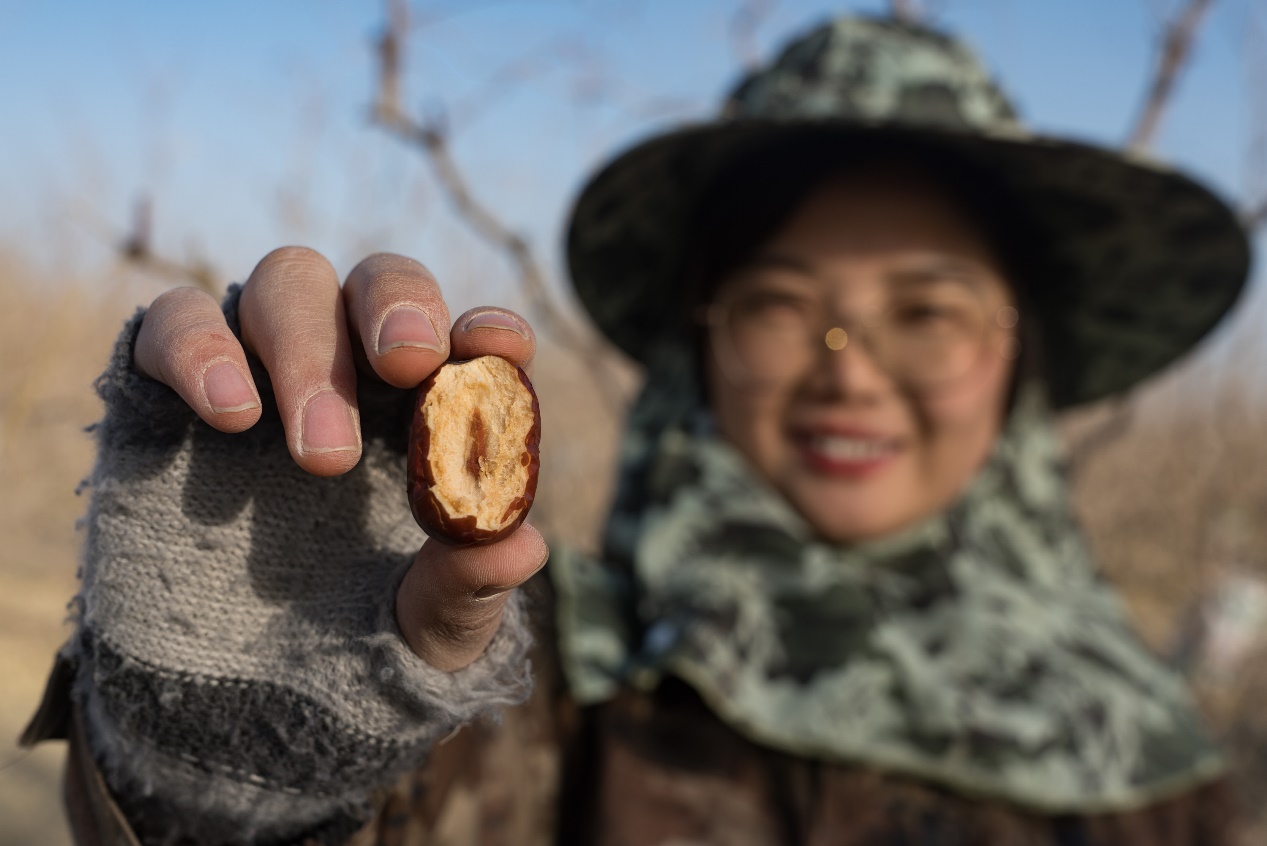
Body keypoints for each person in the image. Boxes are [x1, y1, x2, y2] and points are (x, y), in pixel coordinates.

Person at [22, 15, 1252, 846]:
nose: (850, 375)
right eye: (779, 307)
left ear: (1016, 356)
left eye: (928, 310)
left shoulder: (1155, 777)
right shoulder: (519, 683)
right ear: (697, 344)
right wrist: (220, 768)